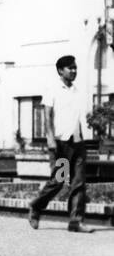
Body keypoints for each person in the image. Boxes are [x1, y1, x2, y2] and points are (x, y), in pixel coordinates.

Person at [28, 55, 92, 233]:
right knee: (58, 180)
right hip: (60, 144)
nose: (74, 71)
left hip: (76, 143)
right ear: (60, 71)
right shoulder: (53, 89)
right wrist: (50, 139)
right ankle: (36, 207)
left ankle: (75, 222)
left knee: (78, 182)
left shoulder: (76, 91)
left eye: (75, 68)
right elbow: (47, 116)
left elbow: (77, 117)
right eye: (70, 68)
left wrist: (80, 137)